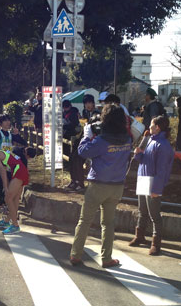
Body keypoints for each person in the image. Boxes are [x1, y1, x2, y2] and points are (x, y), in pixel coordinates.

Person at [69, 104, 132, 268]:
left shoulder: (101, 140)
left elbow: (83, 152)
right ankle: (106, 258)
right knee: (108, 223)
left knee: (85, 220)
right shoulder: (127, 139)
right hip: (117, 186)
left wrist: (86, 135)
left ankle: (76, 254)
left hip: (98, 185)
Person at [128, 115, 174, 256]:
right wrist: (138, 154)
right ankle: (140, 235)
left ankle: (156, 243)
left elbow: (162, 170)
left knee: (154, 214)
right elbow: (142, 160)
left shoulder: (163, 145)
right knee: (142, 210)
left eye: (151, 125)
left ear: (157, 127)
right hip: (143, 177)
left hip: (153, 181)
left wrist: (156, 189)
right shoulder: (149, 140)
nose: (148, 127)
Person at [0, 148, 36, 234]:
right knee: (15, 199)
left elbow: (2, 170)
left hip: (19, 171)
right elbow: (5, 170)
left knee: (8, 198)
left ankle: (15, 225)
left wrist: (5, 187)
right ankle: (7, 221)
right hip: (20, 170)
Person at [0, 114, 28, 212]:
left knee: (10, 184)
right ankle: (1, 205)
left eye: (8, 121)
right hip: (0, 163)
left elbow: (24, 143)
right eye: (5, 121)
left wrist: (17, 134)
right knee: (1, 184)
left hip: (10, 164)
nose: (8, 123)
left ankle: (7, 203)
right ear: (0, 123)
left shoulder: (11, 135)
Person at [67, 94, 101, 191]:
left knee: (78, 159)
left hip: (92, 140)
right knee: (72, 157)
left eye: (90, 103)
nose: (88, 105)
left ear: (93, 103)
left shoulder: (97, 114)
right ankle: (74, 180)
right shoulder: (85, 112)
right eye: (86, 103)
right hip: (85, 137)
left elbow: (96, 130)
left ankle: (80, 183)